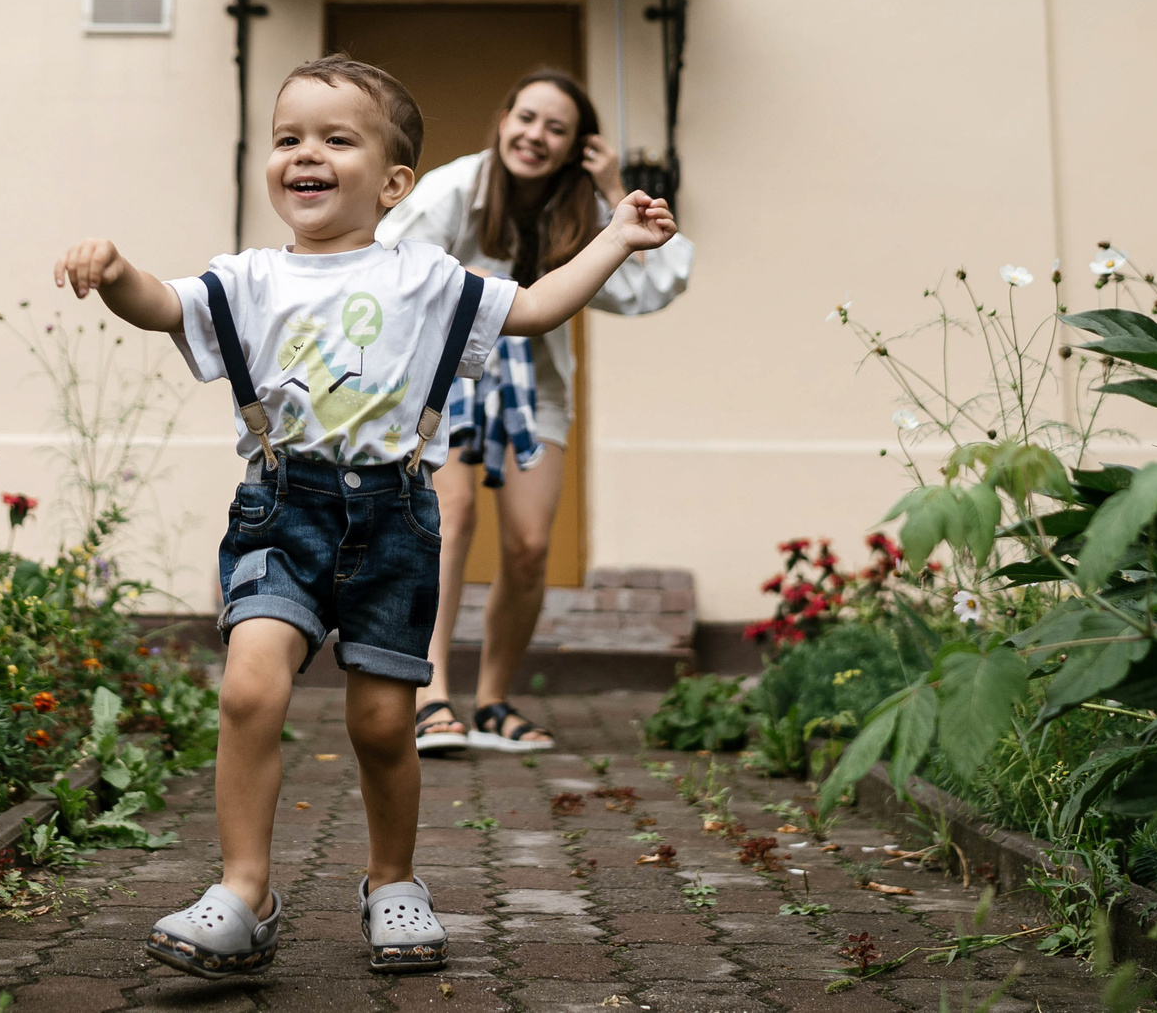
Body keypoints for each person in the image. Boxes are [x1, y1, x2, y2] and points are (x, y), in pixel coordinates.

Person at [52, 55, 677, 979]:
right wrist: (114, 273)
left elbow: (537, 307)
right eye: (288, 138)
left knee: (385, 722)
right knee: (248, 688)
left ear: (392, 182)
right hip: (282, 509)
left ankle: (394, 881)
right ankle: (244, 887)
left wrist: (618, 236)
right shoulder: (251, 276)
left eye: (335, 139)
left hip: (393, 520)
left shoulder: (427, 276)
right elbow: (165, 303)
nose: (305, 153)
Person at [379, 68, 695, 756]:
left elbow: (656, 283)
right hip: (444, 373)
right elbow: (389, 258)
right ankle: (430, 694)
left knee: (527, 546)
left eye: (557, 128)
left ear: (579, 145)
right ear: (504, 119)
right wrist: (468, 287)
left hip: (534, 384)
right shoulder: (457, 188)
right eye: (527, 118)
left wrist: (615, 189)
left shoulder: (581, 209)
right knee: (450, 515)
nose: (536, 135)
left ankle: (492, 699)